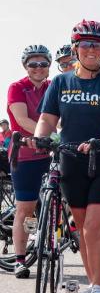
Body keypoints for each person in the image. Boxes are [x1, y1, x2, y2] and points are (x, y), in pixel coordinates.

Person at [33, 19, 100, 293]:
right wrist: (40, 137)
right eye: (87, 45)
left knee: (94, 227)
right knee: (82, 229)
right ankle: (92, 285)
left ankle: (98, 286)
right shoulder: (61, 82)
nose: (93, 50)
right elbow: (47, 118)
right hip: (72, 162)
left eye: (99, 46)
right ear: (76, 48)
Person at [6, 44, 53, 279]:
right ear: (25, 66)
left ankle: (46, 238)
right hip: (25, 155)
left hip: (51, 153)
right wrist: (51, 135)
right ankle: (21, 259)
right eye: (33, 64)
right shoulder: (17, 88)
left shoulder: (53, 87)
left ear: (48, 66)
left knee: (62, 200)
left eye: (43, 64)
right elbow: (22, 119)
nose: (38, 68)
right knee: (26, 208)